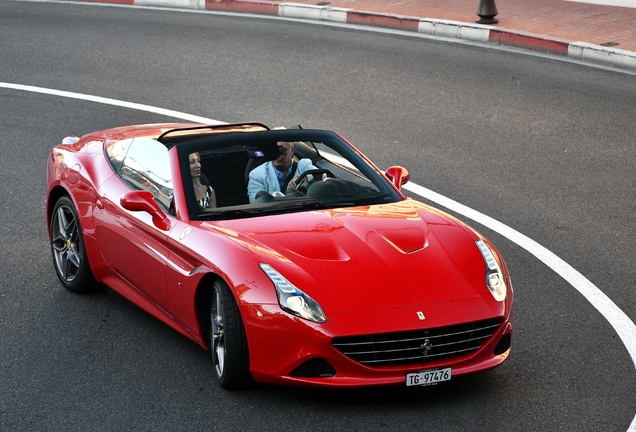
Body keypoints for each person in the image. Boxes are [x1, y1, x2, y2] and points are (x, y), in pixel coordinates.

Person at [247, 141, 317, 203]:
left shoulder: (303, 165)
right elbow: (256, 204)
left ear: (292, 151)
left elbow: (322, 177)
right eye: (273, 151)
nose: (277, 155)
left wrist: (305, 177)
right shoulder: (257, 174)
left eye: (281, 150)